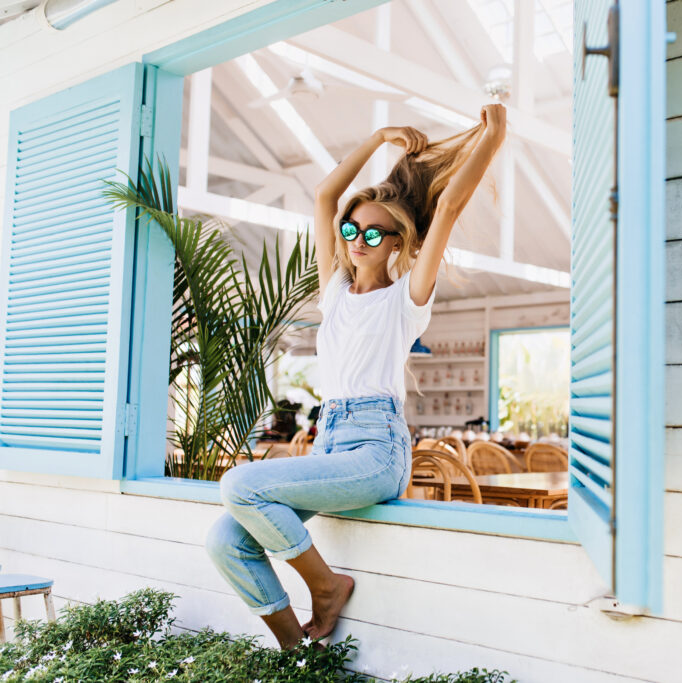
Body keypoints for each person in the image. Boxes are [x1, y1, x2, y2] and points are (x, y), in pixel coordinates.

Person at [205, 103, 507, 650]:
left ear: (397, 243)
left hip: (377, 450)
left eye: (375, 233)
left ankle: (326, 588)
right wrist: (375, 138)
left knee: (238, 485)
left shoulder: (406, 300)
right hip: (331, 442)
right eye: (352, 228)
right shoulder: (335, 294)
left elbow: (449, 209)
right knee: (225, 538)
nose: (358, 238)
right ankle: (296, 654)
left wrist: (494, 134)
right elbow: (324, 196)